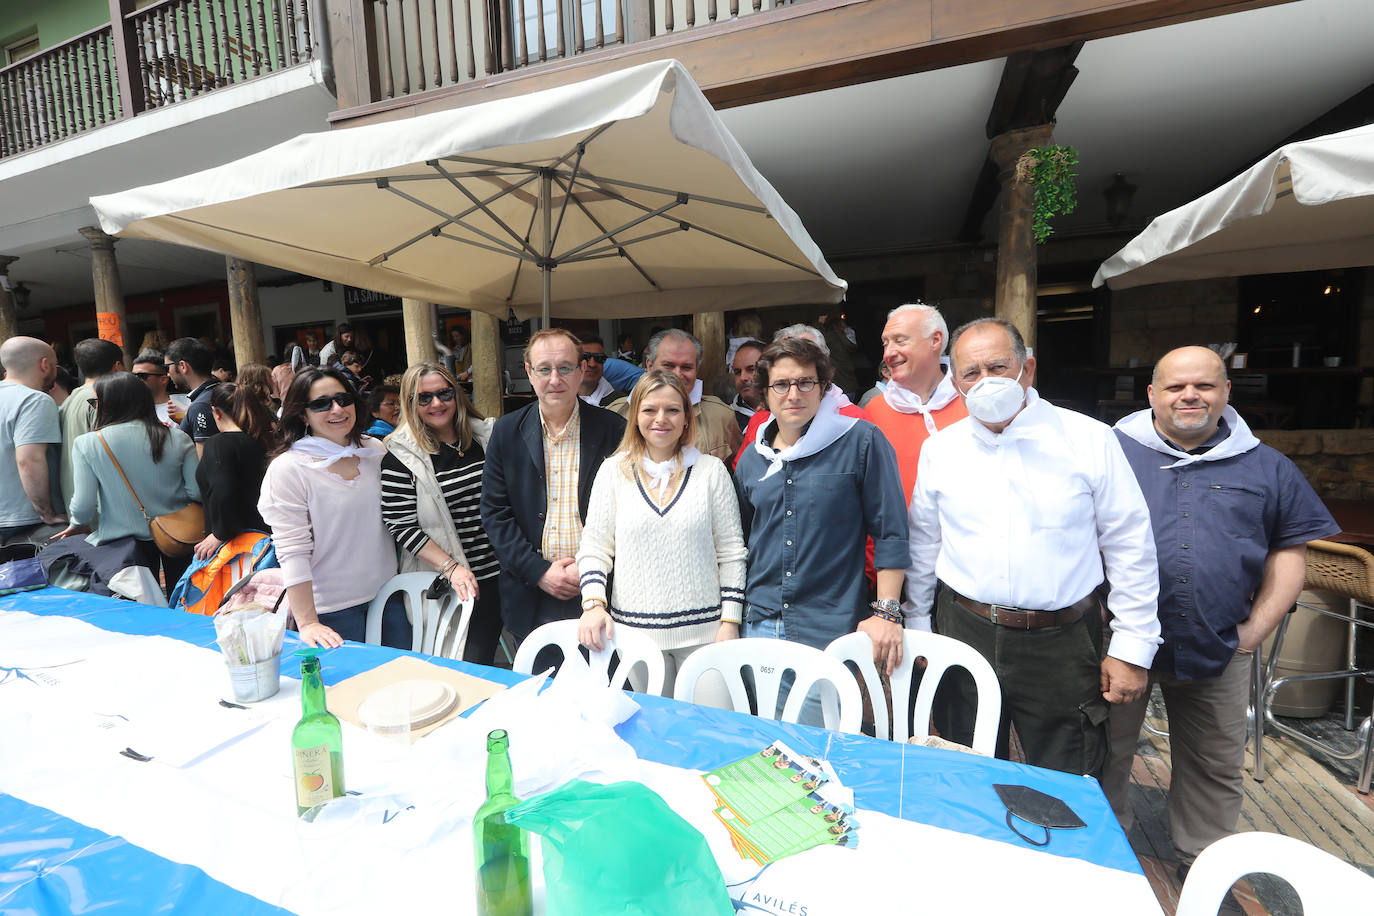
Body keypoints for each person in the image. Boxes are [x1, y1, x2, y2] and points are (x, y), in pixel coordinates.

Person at [1102, 346, 1338, 877]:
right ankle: (1106, 854)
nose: (1190, 396)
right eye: (1175, 387)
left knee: (1212, 763)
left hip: (1220, 642)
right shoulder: (1110, 453)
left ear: (1226, 392)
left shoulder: (1267, 465)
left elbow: (1290, 551)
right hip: (1118, 644)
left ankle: (1200, 866)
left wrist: (1255, 631)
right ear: (1152, 395)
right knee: (1106, 754)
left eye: (1204, 386)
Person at [905, 317, 1161, 776]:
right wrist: (920, 627)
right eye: (971, 372)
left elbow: (1129, 544)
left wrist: (1132, 647)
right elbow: (924, 544)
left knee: (1068, 777)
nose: (985, 381)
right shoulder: (941, 450)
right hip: (965, 629)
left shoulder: (1088, 439)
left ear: (1028, 370)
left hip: (1060, 641)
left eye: (997, 367)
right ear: (956, 383)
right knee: (967, 766)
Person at [734, 336, 908, 725]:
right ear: (766, 392)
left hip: (827, 625)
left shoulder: (860, 442)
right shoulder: (751, 458)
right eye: (781, 384)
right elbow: (742, 543)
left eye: (805, 382)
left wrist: (887, 612)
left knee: (818, 746)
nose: (793, 393)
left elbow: (891, 531)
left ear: (824, 387)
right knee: (767, 743)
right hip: (760, 621)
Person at [576, 370, 746, 702]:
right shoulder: (613, 471)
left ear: (686, 418)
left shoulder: (712, 472)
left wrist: (730, 620)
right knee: (657, 735)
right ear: (635, 415)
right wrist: (593, 603)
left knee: (717, 731)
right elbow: (596, 547)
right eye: (650, 409)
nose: (661, 419)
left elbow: (731, 553)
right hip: (636, 637)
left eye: (672, 410)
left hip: (707, 635)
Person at [479, 328, 626, 640]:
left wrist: (591, 571)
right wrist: (539, 572)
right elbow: (494, 513)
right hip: (531, 592)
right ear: (530, 373)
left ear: (581, 369)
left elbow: (628, 511)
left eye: (564, 367)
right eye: (544, 369)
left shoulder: (614, 429)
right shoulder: (506, 432)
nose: (555, 379)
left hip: (604, 591)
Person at [258, 368, 408, 649]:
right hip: (332, 610)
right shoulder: (289, 468)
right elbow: (292, 550)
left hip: (388, 596)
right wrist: (308, 622)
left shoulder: (374, 450)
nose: (337, 409)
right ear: (303, 414)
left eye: (343, 398)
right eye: (321, 403)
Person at [382, 363, 504, 664]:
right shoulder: (400, 457)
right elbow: (400, 525)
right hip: (457, 582)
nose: (436, 403)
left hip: (506, 575)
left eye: (444, 393)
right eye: (424, 398)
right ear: (410, 404)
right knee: (471, 666)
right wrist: (451, 568)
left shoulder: (486, 437)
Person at [56, 372, 200, 582]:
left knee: (140, 605)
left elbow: (83, 504)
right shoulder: (177, 437)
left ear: (109, 403)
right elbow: (196, 491)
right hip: (180, 534)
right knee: (183, 600)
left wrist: (77, 523)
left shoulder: (88, 443)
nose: (94, 407)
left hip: (124, 542)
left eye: (94, 402)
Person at [867, 303, 968, 505]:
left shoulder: (971, 402)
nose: (888, 354)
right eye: (885, 343)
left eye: (900, 341)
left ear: (935, 340)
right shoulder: (873, 411)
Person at [733, 324, 865, 468]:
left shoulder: (854, 421)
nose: (793, 395)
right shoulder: (760, 421)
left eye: (806, 354)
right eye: (785, 355)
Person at [609, 329, 740, 461]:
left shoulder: (721, 416)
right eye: (668, 365)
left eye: (686, 367)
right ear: (649, 366)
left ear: (696, 369)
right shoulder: (615, 413)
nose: (677, 374)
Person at [193, 383, 277, 561]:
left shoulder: (219, 443)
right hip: (270, 541)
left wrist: (219, 533)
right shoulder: (268, 439)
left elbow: (223, 490)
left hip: (238, 549)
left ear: (216, 412)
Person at [0, 337, 66, 546]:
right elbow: (29, 460)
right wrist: (47, 514)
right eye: (55, 365)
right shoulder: (34, 400)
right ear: (44, 364)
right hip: (25, 523)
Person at [60, 338, 125, 512]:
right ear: (118, 366)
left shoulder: (70, 398)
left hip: (75, 499)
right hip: (101, 503)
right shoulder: (101, 398)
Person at [165, 337, 219, 456]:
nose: (168, 374)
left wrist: (193, 413)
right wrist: (186, 419)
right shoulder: (222, 390)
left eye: (167, 367)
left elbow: (204, 463)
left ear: (183, 366)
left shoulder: (200, 406)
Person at [728, 339, 766, 432]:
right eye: (737, 372)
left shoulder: (788, 412)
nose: (743, 378)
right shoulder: (726, 420)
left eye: (751, 369)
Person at [577, 337, 626, 407]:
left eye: (599, 358)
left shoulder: (622, 404)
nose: (592, 364)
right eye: (585, 357)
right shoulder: (559, 400)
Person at [132, 350, 173, 426]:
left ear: (163, 380)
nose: (136, 380)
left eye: (142, 376)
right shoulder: (130, 409)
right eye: (133, 376)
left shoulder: (178, 409)